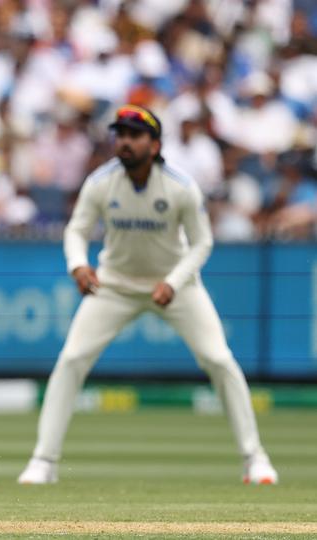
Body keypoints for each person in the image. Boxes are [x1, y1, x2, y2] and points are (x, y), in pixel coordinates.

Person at [17, 105, 278, 486]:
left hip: (176, 287)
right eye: (120, 134)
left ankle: (255, 458)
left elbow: (202, 243)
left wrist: (173, 281)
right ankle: (44, 461)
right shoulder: (100, 182)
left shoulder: (180, 187)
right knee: (72, 358)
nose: (124, 142)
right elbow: (76, 231)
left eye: (134, 135)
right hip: (114, 286)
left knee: (219, 360)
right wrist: (78, 265)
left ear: (154, 145)